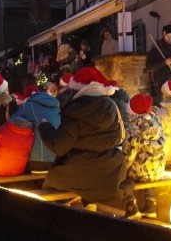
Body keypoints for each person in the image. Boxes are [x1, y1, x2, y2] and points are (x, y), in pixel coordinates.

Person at [37, 66, 134, 215]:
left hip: (77, 172)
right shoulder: (112, 106)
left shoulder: (75, 110)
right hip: (111, 174)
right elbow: (121, 138)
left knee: (50, 183)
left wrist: (45, 127)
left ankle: (58, 219)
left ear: (77, 88)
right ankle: (90, 204)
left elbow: (59, 146)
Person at [123, 93, 166, 218]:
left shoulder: (133, 128)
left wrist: (121, 169)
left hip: (139, 171)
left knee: (121, 174)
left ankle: (131, 207)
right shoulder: (158, 122)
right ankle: (151, 206)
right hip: (158, 169)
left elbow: (128, 156)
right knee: (148, 171)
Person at [13, 85, 61, 172]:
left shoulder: (28, 106)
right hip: (56, 160)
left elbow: (12, 123)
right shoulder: (56, 108)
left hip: (34, 161)